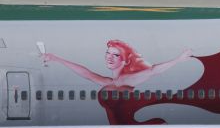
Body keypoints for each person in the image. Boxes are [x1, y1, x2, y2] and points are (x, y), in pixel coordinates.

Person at [42, 39, 193, 88]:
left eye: (115, 55)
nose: (109, 57)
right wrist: (56, 59)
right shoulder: (111, 81)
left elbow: (153, 70)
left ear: (126, 61)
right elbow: (86, 74)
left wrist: (178, 60)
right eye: (108, 53)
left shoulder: (127, 80)